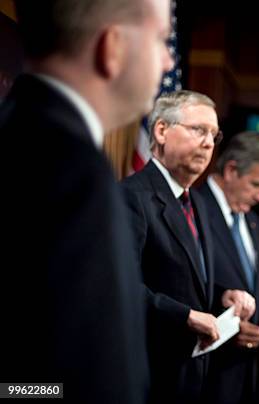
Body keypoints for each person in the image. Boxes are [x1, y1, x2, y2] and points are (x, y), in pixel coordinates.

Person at [0, 1, 173, 403]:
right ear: (112, 47)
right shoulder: (71, 170)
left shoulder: (24, 134)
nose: (168, 62)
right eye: (162, 39)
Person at [121, 90, 257, 404]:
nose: (209, 143)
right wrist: (186, 317)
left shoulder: (196, 202)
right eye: (198, 130)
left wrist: (224, 294)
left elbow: (190, 277)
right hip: (149, 376)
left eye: (214, 134)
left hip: (194, 379)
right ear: (161, 131)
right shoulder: (131, 197)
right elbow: (118, 287)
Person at [197, 131, 259, 404]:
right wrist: (226, 325)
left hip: (249, 379)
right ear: (231, 170)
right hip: (206, 378)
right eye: (256, 185)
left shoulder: (254, 221)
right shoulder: (193, 210)